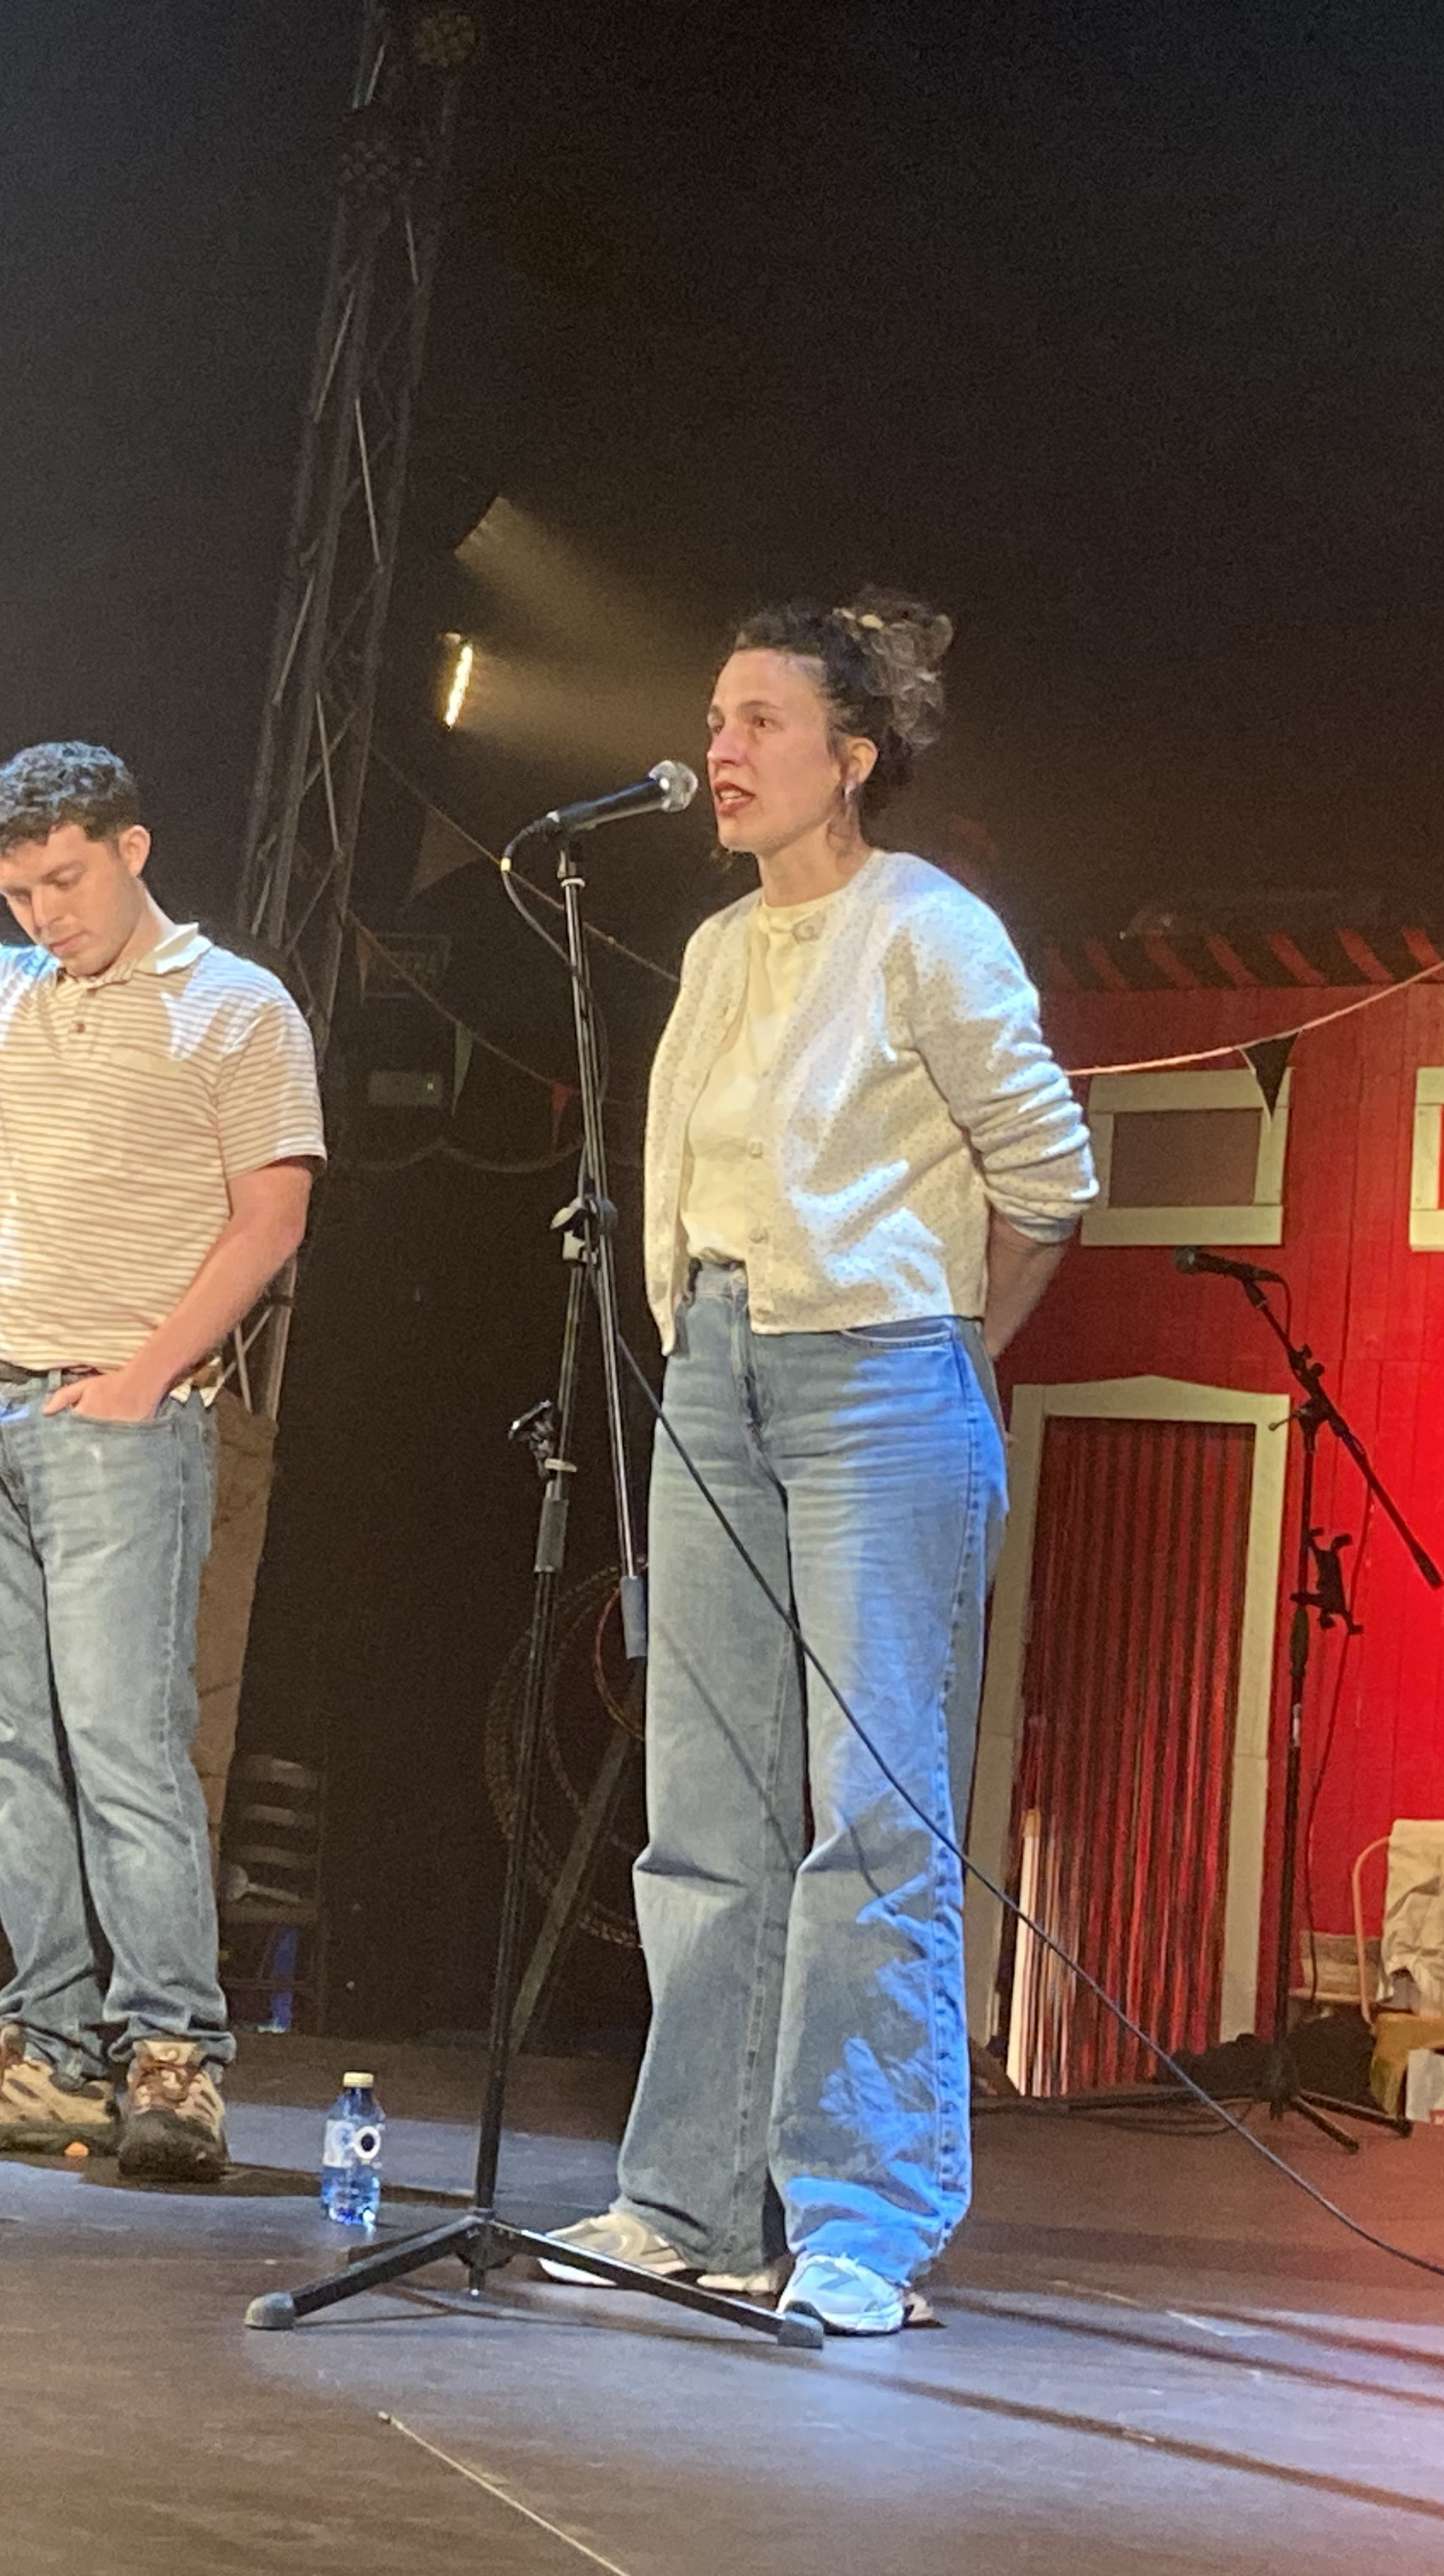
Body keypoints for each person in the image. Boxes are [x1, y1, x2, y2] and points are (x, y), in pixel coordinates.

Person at [544, 593, 1095, 2337]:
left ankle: (864, 2219)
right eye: (715, 719)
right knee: (706, 1812)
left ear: (852, 758)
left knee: (872, 1816)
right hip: (715, 1368)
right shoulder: (718, 947)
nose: (721, 749)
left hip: (879, 1369)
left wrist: (954, 1351)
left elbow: (1049, 1175)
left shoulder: (927, 926)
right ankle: (683, 2200)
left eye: (760, 720)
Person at [0, 742, 320, 2184]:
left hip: (119, 1419)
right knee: (8, 1746)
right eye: (18, 888)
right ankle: (47, 2048)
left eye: (64, 878)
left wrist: (147, 1375)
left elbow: (272, 1217)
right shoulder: (9, 991)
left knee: (123, 1742)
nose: (44, 912)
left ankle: (172, 2056)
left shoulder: (237, 1005)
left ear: (133, 847)